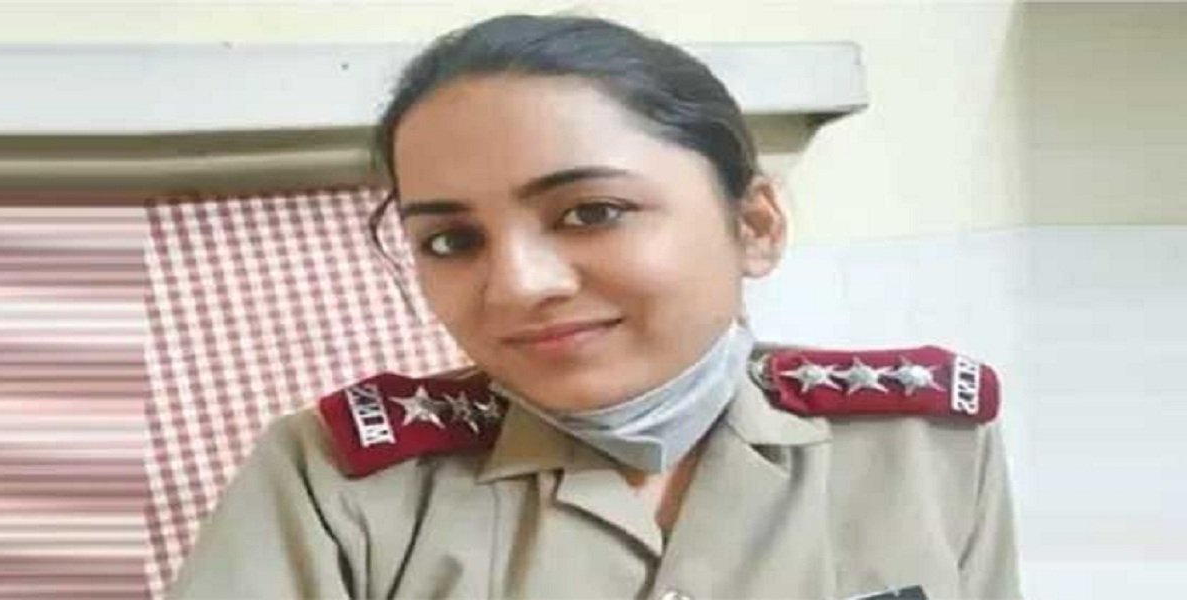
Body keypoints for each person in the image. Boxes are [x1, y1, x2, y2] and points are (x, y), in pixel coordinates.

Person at [169, 13, 1021, 600]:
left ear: (755, 225)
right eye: (452, 240)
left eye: (591, 213)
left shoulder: (921, 451)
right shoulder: (337, 481)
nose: (517, 285)